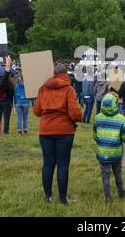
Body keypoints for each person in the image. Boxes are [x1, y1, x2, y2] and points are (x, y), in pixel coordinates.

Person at [34, 63, 83, 204]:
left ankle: (48, 196)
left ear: (53, 74)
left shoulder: (43, 88)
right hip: (64, 131)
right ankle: (62, 199)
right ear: (66, 74)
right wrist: (79, 118)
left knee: (48, 164)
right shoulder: (69, 89)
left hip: (45, 130)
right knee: (63, 165)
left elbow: (37, 111)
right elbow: (74, 113)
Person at [93, 93, 125, 204]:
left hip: (102, 153)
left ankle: (108, 198)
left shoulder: (97, 118)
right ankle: (121, 193)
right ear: (116, 104)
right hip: (116, 153)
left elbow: (95, 136)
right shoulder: (121, 119)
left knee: (105, 175)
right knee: (117, 173)